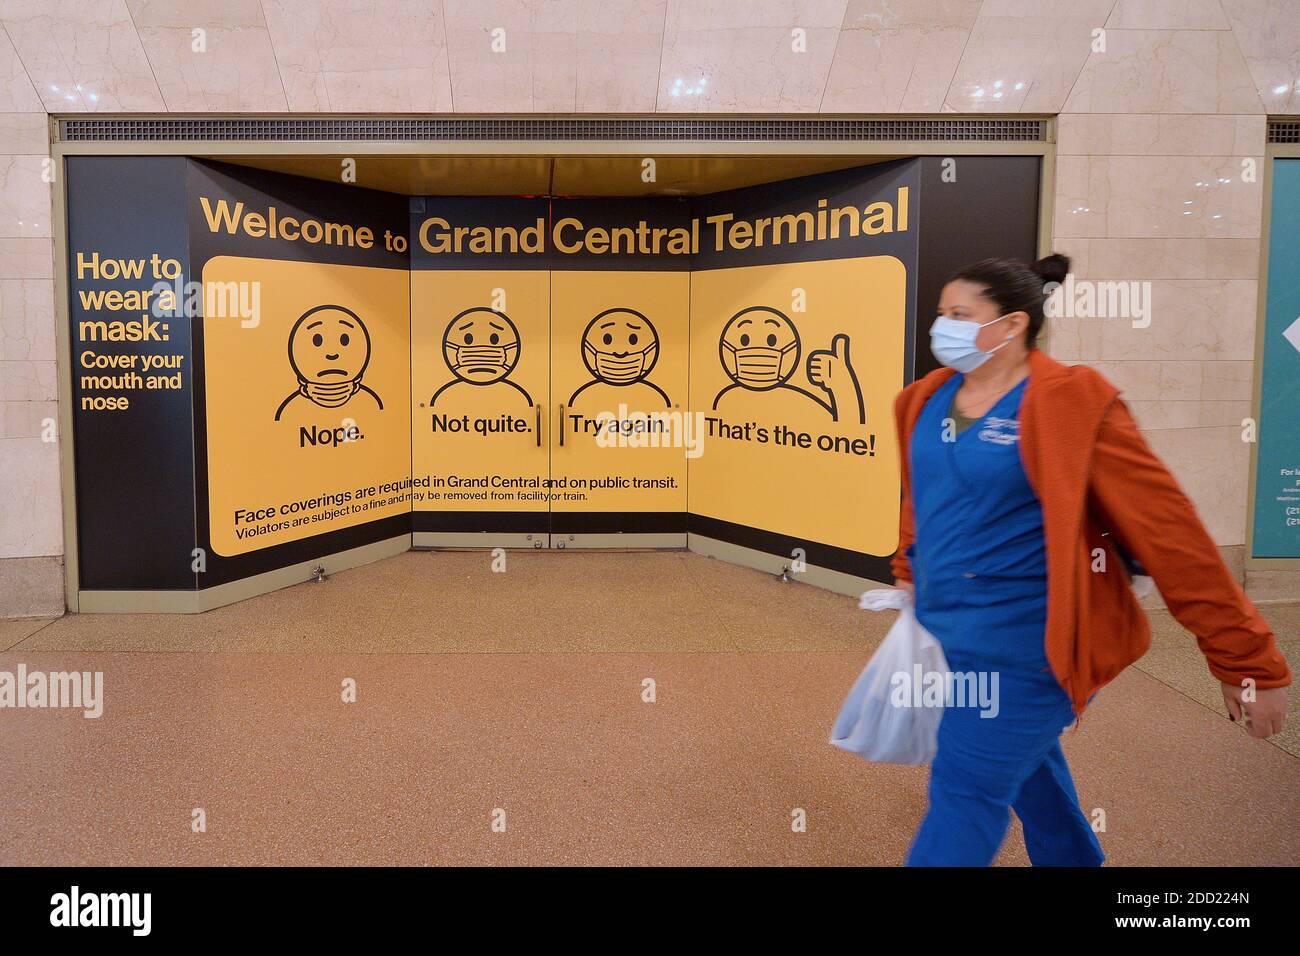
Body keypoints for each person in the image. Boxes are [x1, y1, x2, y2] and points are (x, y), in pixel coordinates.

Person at [891, 254, 1291, 866]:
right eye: (942, 313)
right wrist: (907, 574)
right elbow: (923, 500)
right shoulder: (922, 401)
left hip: (1034, 646)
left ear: (1012, 324)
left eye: (960, 314)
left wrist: (1248, 661)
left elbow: (1172, 537)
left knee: (965, 790)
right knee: (1027, 767)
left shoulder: (1073, 402)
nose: (943, 325)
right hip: (949, 637)